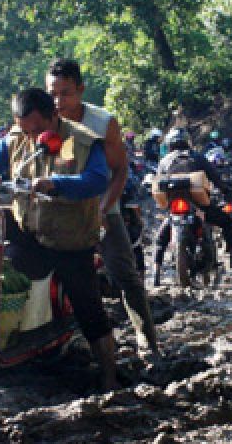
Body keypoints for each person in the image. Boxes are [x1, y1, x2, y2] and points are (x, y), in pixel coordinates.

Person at [0, 88, 119, 390]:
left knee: (90, 311)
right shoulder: (17, 139)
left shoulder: (83, 142)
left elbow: (99, 180)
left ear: (54, 115)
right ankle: (4, 342)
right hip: (29, 232)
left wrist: (54, 183)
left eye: (38, 128)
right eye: (24, 129)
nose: (31, 135)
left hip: (69, 240)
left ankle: (110, 376)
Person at [46, 58, 161, 357]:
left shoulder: (102, 123)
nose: (58, 101)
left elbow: (120, 170)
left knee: (125, 274)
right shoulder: (43, 121)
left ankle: (148, 341)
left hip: (98, 209)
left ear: (81, 90)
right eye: (52, 94)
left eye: (65, 93)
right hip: (55, 213)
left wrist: (105, 208)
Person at [153, 127, 232, 284]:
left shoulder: (164, 161)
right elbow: (215, 177)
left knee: (160, 238)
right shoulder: (197, 157)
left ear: (170, 144)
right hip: (199, 205)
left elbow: (158, 184)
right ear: (187, 141)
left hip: (174, 208)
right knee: (227, 222)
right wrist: (226, 189)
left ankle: (156, 273)